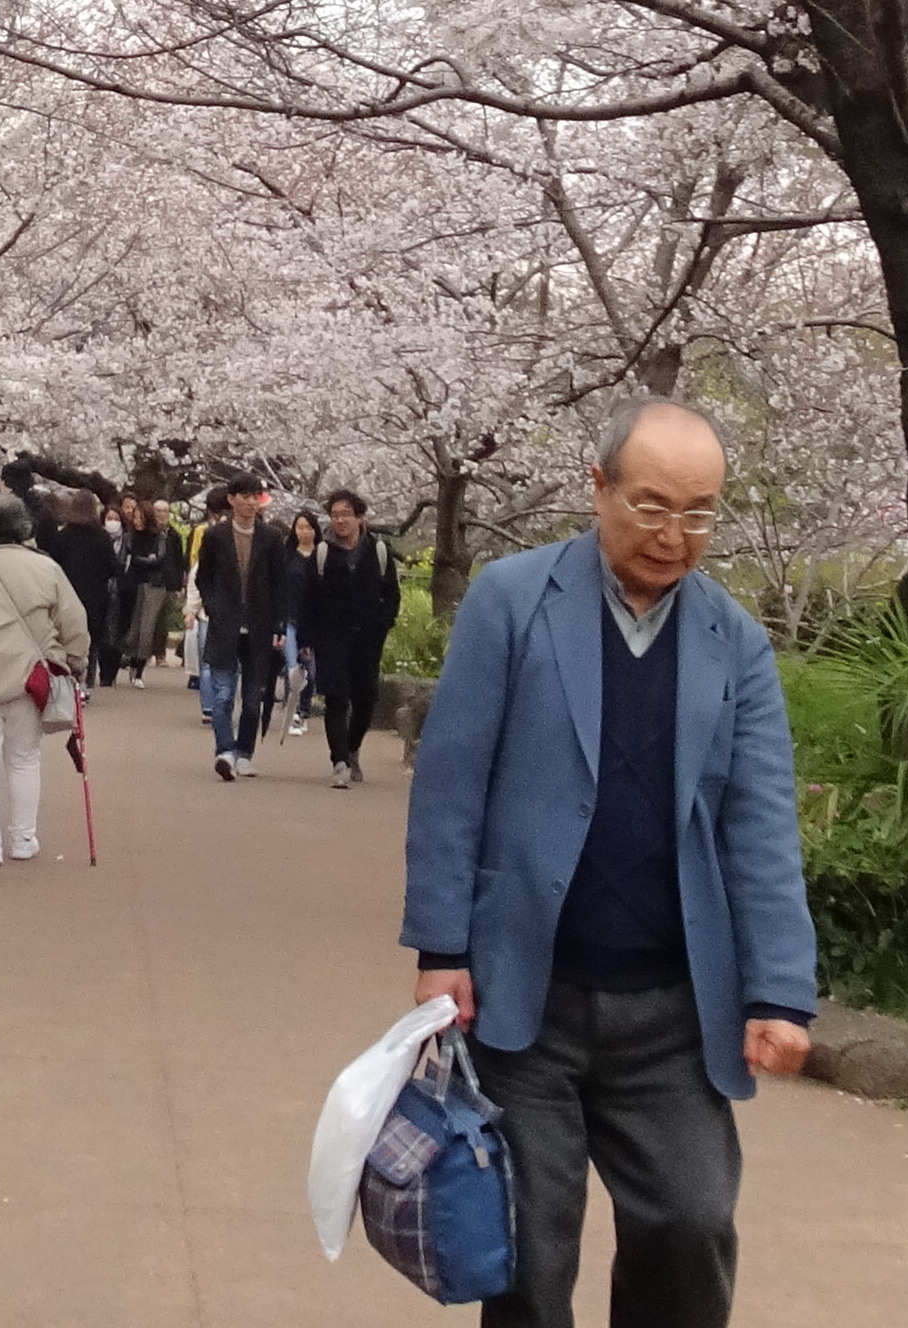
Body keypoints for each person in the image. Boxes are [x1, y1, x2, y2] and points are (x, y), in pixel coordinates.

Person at [404, 399, 815, 1328]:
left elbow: (760, 824)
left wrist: (779, 991)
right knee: (529, 1249)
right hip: (526, 997)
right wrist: (441, 947)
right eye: (652, 506)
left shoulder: (736, 643)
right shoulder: (512, 601)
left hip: (670, 1013)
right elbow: (452, 784)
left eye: (699, 513)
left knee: (690, 1222)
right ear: (598, 489)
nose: (674, 536)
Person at [0, 492, 94, 866]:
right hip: (31, 681)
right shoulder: (46, 569)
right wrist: (75, 663)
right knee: (24, 759)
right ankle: (23, 838)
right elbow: (75, 622)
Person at [194, 479, 300, 778]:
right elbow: (204, 577)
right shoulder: (215, 536)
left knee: (253, 699)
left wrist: (279, 623)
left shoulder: (271, 537)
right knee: (223, 694)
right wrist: (213, 606)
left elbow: (280, 583)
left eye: (256, 497)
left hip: (259, 626)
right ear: (231, 499)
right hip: (224, 624)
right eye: (245, 496)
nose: (251, 502)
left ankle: (244, 752)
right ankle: (224, 750)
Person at [302, 489, 402, 787]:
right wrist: (308, 637)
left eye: (346, 514)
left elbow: (392, 594)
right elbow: (309, 598)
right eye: (335, 515)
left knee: (365, 698)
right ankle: (340, 762)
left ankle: (352, 747)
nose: (340, 520)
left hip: (368, 638)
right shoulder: (322, 552)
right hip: (331, 637)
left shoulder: (379, 550)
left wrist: (383, 624)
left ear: (360, 518)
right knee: (336, 697)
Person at [37, 486, 128, 686]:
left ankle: (68, 681)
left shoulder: (63, 537)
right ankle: (87, 682)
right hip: (96, 597)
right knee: (91, 642)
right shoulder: (102, 538)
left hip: (67, 595)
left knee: (65, 639)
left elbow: (52, 565)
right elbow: (114, 568)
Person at [114, 493, 181, 683]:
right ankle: (129, 657)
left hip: (155, 584)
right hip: (133, 584)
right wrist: (144, 560)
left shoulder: (161, 536)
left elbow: (160, 559)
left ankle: (139, 668)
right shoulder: (129, 536)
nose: (137, 521)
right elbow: (122, 560)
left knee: (147, 627)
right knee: (133, 628)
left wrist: (139, 560)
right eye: (135, 517)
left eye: (141, 518)